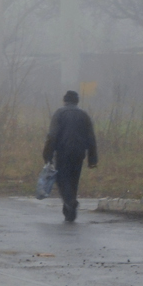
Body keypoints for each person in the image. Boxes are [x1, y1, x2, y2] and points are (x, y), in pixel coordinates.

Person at [43, 90, 98, 222]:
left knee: (61, 179)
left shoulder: (59, 113)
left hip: (63, 152)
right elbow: (91, 137)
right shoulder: (84, 115)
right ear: (77, 101)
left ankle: (70, 202)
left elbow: (52, 136)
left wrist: (47, 154)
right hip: (79, 153)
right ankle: (69, 211)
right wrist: (92, 158)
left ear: (65, 101)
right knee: (73, 180)